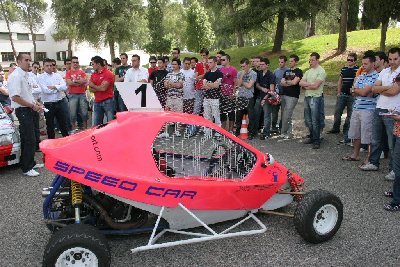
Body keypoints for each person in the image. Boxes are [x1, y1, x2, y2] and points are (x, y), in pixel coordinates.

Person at [361, 48, 400, 181]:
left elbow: (394, 92)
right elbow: (374, 88)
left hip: (393, 110)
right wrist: (387, 87)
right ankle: (373, 162)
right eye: (390, 59)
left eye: (395, 59)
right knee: (376, 138)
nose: (393, 62)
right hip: (379, 107)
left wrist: (382, 88)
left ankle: (394, 170)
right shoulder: (384, 71)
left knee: (392, 143)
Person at [8, 53, 44, 177]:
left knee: (31, 137)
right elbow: (15, 97)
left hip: (29, 109)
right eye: (26, 60)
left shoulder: (26, 75)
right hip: (23, 111)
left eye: (30, 60)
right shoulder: (16, 76)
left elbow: (27, 94)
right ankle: (27, 168)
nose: (29, 62)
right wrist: (33, 105)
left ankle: (30, 162)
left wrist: (37, 103)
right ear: (18, 61)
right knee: (29, 139)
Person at [342, 54, 378, 163]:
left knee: (368, 134)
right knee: (355, 132)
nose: (363, 66)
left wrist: (358, 91)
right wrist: (359, 91)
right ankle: (355, 155)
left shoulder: (376, 77)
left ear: (373, 63)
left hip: (368, 110)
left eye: (366, 64)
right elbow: (352, 92)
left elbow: (362, 92)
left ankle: (369, 158)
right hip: (357, 107)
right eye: (362, 63)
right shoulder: (360, 76)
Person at [327, 53, 359, 145]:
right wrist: (338, 92)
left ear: (355, 61)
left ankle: (346, 131)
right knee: (337, 112)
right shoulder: (343, 69)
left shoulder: (357, 69)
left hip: (352, 96)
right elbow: (340, 81)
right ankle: (335, 128)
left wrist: (355, 92)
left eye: (351, 60)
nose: (349, 61)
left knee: (350, 115)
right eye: (348, 59)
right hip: (342, 94)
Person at [299, 52, 326, 149]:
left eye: (313, 60)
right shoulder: (308, 71)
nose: (311, 61)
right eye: (310, 60)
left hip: (316, 97)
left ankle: (316, 140)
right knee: (308, 119)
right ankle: (312, 136)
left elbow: (316, 86)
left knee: (315, 120)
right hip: (307, 97)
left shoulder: (321, 71)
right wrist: (309, 85)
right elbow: (300, 83)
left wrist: (306, 85)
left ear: (317, 60)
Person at [38, 58, 69, 139]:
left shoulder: (57, 75)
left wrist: (54, 87)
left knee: (63, 123)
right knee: (50, 125)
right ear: (43, 66)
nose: (49, 67)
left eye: (51, 65)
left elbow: (65, 87)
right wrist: (58, 89)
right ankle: (51, 142)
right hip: (48, 104)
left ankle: (66, 140)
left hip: (59, 102)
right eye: (47, 65)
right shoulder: (41, 77)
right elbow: (45, 90)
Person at [383, 76, 400, 211]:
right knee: (396, 165)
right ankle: (397, 193)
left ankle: (397, 202)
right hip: (397, 131)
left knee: (398, 168)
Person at [280, 54, 303, 139]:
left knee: (287, 114)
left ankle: (285, 132)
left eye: (292, 61)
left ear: (296, 62)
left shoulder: (299, 71)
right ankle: (288, 132)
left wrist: (287, 82)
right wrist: (289, 82)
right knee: (284, 114)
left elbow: (295, 83)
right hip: (284, 95)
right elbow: (282, 82)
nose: (290, 62)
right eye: (289, 61)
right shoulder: (286, 72)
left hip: (293, 96)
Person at [89, 56, 115, 126]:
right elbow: (90, 89)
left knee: (110, 124)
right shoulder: (94, 74)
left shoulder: (108, 73)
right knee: (96, 125)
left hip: (108, 101)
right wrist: (98, 87)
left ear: (98, 64)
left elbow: (103, 88)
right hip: (97, 101)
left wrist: (94, 86)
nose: (92, 66)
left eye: (93, 64)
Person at [254, 57, 276, 140]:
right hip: (260, 96)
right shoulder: (259, 73)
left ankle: (266, 133)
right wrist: (262, 88)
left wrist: (264, 99)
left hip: (267, 98)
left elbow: (272, 90)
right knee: (256, 113)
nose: (261, 66)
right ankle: (255, 130)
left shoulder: (271, 75)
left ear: (267, 65)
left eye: (263, 64)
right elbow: (257, 85)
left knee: (267, 115)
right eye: (260, 65)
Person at [235, 58, 257, 137]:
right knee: (238, 115)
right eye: (241, 67)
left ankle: (251, 132)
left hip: (249, 97)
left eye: (244, 66)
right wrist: (242, 75)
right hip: (241, 96)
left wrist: (242, 82)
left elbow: (249, 85)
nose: (242, 68)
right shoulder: (240, 73)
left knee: (251, 116)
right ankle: (237, 131)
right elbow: (238, 85)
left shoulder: (253, 73)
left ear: (248, 65)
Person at [66, 56, 88, 130]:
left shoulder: (82, 72)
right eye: (74, 62)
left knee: (84, 113)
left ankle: (85, 129)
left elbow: (85, 81)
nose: (75, 63)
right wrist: (80, 82)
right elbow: (69, 83)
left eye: (77, 62)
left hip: (82, 94)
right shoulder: (68, 72)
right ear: (71, 63)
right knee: (72, 114)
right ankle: (73, 130)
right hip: (72, 95)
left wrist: (75, 81)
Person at [202, 56, 223, 129]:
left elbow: (217, 85)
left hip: (215, 98)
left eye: (210, 62)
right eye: (208, 62)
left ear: (215, 63)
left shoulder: (219, 73)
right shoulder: (207, 74)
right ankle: (207, 131)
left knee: (216, 116)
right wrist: (212, 84)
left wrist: (209, 84)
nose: (208, 64)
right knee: (207, 116)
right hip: (206, 98)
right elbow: (204, 85)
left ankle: (218, 132)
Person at [220, 53, 237, 133]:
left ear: (228, 60)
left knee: (231, 112)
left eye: (223, 60)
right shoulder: (220, 70)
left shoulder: (233, 70)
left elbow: (235, 83)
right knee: (222, 112)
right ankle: (223, 129)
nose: (222, 61)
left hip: (230, 94)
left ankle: (230, 129)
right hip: (222, 94)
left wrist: (233, 93)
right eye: (221, 60)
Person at [272, 55, 289, 133]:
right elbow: (273, 82)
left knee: (283, 111)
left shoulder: (288, 71)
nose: (280, 63)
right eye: (279, 62)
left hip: (285, 94)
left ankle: (282, 127)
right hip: (276, 94)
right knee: (275, 111)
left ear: (285, 62)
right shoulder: (276, 71)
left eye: (282, 62)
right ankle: (273, 127)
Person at [29, 62, 42, 150]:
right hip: (31, 102)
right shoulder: (29, 76)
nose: (36, 69)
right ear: (32, 67)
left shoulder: (39, 76)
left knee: (38, 122)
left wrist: (37, 88)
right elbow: (31, 90)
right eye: (35, 67)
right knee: (32, 124)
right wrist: (37, 88)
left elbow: (41, 89)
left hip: (39, 100)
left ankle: (37, 142)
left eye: (38, 68)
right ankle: (35, 144)